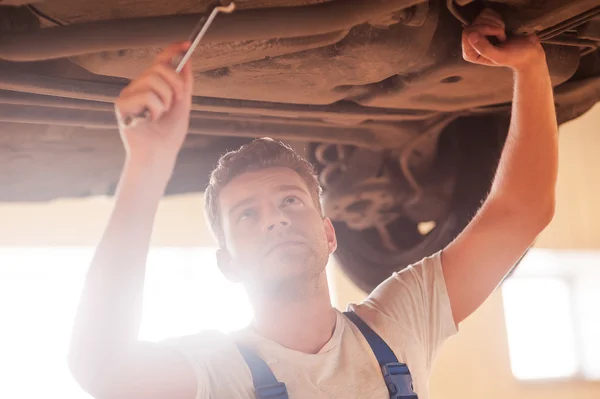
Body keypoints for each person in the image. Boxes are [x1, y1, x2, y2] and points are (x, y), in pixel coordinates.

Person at [67, 8, 558, 399]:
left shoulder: (398, 322)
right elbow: (101, 369)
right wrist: (146, 165)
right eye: (247, 214)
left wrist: (532, 67)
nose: (275, 218)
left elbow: (522, 212)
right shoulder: (217, 372)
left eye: (290, 200)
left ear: (329, 233)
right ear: (227, 265)